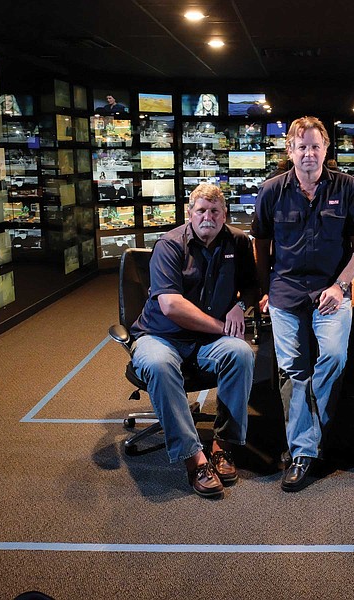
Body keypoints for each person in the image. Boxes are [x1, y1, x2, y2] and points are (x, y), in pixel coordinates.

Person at [251, 116, 354, 492]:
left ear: (325, 150)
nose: (308, 153)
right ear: (290, 151)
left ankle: (306, 434)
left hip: (331, 291)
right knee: (293, 367)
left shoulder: (347, 187)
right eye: (301, 146)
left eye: (315, 146)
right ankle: (306, 450)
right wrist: (263, 290)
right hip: (286, 291)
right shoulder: (271, 190)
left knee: (334, 357)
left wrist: (340, 285)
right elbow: (260, 245)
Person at [130, 183, 258, 498]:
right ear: (190, 214)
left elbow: (254, 288)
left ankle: (222, 446)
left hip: (207, 342)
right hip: (159, 335)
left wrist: (240, 307)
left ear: (224, 214)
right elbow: (171, 305)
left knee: (241, 353)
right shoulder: (169, 245)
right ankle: (194, 459)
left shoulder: (239, 242)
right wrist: (220, 325)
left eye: (215, 211)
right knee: (159, 365)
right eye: (201, 210)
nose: (208, 217)